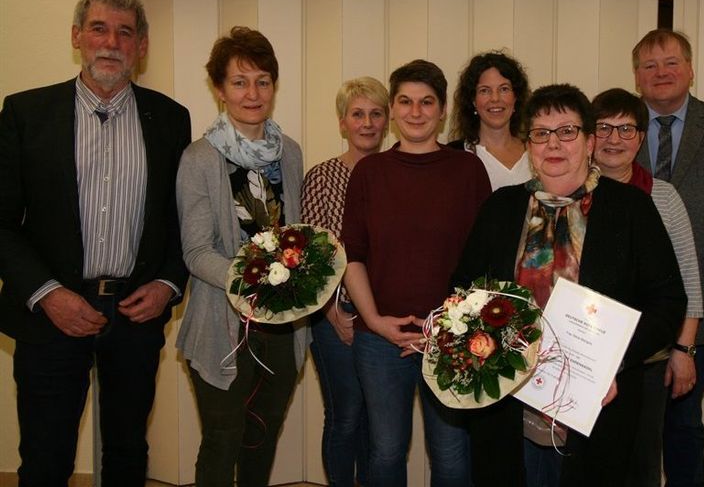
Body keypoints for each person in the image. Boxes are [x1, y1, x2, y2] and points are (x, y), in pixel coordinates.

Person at [0, 0, 191, 486]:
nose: (111, 42)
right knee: (45, 458)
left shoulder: (170, 119)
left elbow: (180, 221)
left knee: (128, 454)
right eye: (99, 28)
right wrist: (47, 295)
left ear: (142, 46)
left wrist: (169, 285)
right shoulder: (26, 114)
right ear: (76, 37)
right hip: (51, 315)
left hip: (135, 316)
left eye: (125, 32)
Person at [454, 83, 687, 487]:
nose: (553, 144)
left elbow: (668, 301)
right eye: (541, 133)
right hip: (508, 405)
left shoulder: (631, 208)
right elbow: (464, 292)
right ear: (529, 146)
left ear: (590, 141)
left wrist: (611, 363)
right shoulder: (500, 208)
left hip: (599, 405)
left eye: (567, 131)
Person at [341, 59, 491, 487]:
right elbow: (352, 255)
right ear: (392, 108)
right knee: (385, 451)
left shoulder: (467, 170)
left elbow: (482, 260)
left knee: (450, 453)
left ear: (442, 109)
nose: (416, 111)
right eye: (405, 101)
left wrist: (447, 328)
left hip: (451, 339)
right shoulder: (370, 173)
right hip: (380, 341)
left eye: (427, 102)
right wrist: (373, 321)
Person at [175, 27, 309, 487]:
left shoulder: (289, 153)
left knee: (261, 436)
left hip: (283, 328)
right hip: (222, 324)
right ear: (219, 89)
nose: (253, 93)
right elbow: (195, 252)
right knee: (223, 437)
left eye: (263, 80)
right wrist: (253, 279)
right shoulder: (199, 158)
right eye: (239, 81)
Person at [632, 28, 704, 487]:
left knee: (682, 425)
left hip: (701, 305)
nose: (661, 73)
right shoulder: (615, 128)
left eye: (671, 62)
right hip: (631, 308)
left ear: (691, 68)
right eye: (649, 65)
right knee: (633, 429)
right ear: (637, 76)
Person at [591, 87, 704, 486]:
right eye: (604, 128)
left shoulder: (664, 196)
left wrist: (684, 350)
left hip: (647, 359)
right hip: (584, 357)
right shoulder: (571, 195)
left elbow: (688, 279)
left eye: (626, 129)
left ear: (641, 138)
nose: (614, 140)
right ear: (589, 136)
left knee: (641, 463)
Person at [301, 76, 389, 487]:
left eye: (375, 113)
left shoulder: (395, 176)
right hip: (334, 314)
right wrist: (334, 314)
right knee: (346, 414)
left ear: (387, 120)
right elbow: (313, 257)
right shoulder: (322, 177)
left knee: (379, 419)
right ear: (342, 122)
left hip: (382, 317)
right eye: (358, 114)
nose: (367, 123)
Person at [449, 50, 532, 189]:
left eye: (504, 89)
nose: (495, 98)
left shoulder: (536, 152)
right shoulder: (454, 156)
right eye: (485, 90)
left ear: (516, 97)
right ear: (473, 100)